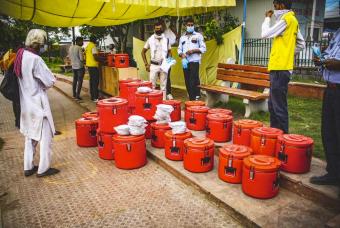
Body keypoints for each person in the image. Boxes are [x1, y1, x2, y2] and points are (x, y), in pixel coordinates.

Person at [13, 29, 59, 177]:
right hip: (39, 105)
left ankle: (28, 166)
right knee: (45, 137)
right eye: (43, 43)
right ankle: (43, 169)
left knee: (30, 136)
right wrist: (49, 80)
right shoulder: (35, 59)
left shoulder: (21, 55)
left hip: (26, 104)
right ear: (38, 43)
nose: (43, 46)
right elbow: (49, 80)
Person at [261, 0, 305, 133]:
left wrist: (267, 18)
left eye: (275, 7)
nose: (274, 10)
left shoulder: (287, 19)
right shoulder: (293, 21)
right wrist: (288, 53)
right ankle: (275, 135)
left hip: (280, 68)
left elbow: (265, 34)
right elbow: (301, 44)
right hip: (279, 68)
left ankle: (283, 138)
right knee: (272, 105)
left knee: (278, 106)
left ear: (281, 5)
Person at [310, 29, 340, 192]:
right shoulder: (337, 33)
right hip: (331, 89)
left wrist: (335, 62)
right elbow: (328, 52)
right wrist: (320, 58)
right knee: (329, 132)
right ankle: (334, 173)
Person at [178, 18, 206, 101]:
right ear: (185, 26)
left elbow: (203, 48)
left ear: (194, 25)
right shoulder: (182, 38)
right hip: (185, 62)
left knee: (192, 80)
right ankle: (192, 98)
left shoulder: (198, 36)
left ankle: (195, 98)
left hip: (194, 61)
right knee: (187, 80)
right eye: (188, 25)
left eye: (191, 25)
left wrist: (193, 51)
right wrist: (181, 54)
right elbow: (179, 49)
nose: (190, 26)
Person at [141, 21, 172, 100]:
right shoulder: (150, 39)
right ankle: (153, 101)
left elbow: (170, 52)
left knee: (163, 86)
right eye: (157, 28)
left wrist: (168, 63)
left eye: (160, 28)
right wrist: (146, 64)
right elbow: (143, 52)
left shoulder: (166, 39)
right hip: (154, 65)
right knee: (152, 85)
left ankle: (163, 101)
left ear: (162, 29)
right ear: (154, 29)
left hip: (163, 65)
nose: (158, 30)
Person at [163, 18, 177, 100]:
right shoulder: (157, 36)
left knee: (167, 76)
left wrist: (169, 61)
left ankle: (168, 93)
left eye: (167, 22)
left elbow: (170, 51)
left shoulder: (168, 36)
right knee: (161, 77)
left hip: (167, 59)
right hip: (158, 61)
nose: (165, 25)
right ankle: (162, 93)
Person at [85, 36, 100, 102]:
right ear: (94, 40)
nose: (96, 40)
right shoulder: (93, 46)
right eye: (96, 39)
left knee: (91, 81)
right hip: (93, 66)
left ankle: (92, 96)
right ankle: (95, 97)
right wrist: (102, 60)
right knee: (95, 82)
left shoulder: (88, 46)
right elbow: (95, 57)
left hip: (89, 65)